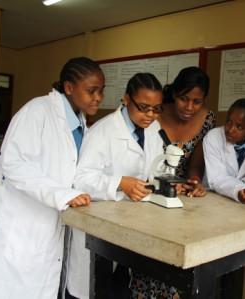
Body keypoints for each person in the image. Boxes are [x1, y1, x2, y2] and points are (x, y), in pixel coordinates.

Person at [0, 57, 104, 299]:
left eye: (101, 91)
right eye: (91, 90)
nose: (98, 97)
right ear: (68, 87)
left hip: (48, 226)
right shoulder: (37, 111)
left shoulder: (80, 122)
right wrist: (64, 195)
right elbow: (15, 165)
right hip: (21, 228)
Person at [67, 73, 165, 299]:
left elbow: (155, 168)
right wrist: (120, 183)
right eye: (143, 107)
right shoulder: (103, 131)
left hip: (132, 227)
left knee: (121, 287)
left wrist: (164, 183)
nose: (150, 115)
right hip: (99, 227)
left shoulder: (153, 129)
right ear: (126, 99)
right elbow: (81, 179)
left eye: (156, 108)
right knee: (97, 289)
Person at [158, 66, 216, 197]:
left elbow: (195, 165)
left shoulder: (207, 120)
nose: (189, 108)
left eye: (197, 102)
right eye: (183, 99)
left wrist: (194, 181)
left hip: (180, 192)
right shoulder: (155, 114)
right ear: (174, 94)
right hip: (149, 186)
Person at [203, 98, 245, 204]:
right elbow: (217, 178)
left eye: (239, 126)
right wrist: (238, 190)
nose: (230, 129)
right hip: (214, 199)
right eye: (229, 121)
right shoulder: (213, 137)